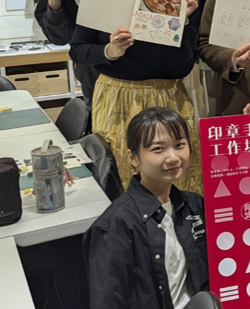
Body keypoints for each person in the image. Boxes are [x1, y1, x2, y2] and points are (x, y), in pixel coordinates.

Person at [69, 0, 202, 192]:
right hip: (117, 99)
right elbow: (78, 50)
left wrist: (185, 19)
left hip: (169, 100)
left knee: (176, 181)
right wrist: (110, 50)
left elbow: (181, 68)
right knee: (122, 180)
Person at [83, 107, 208, 309]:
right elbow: (108, 302)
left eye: (179, 145)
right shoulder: (115, 227)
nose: (173, 157)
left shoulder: (194, 205)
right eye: (158, 149)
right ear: (133, 158)